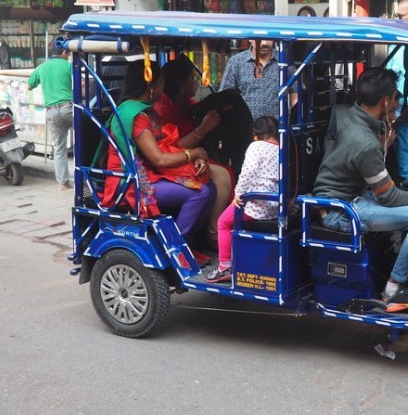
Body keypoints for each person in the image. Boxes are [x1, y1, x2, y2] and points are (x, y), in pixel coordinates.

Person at [312, 67, 408, 312]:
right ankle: (394, 288)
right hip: (342, 210)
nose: (395, 106)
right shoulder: (366, 145)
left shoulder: (341, 112)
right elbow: (389, 197)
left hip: (341, 198)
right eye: (393, 100)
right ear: (385, 100)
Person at [102, 61, 215, 265]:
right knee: (201, 193)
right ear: (151, 86)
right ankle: (176, 250)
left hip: (150, 171)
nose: (165, 87)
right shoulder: (135, 115)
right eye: (162, 82)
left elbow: (170, 145)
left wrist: (195, 156)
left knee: (210, 186)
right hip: (131, 181)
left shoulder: (148, 111)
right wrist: (193, 153)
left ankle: (187, 245)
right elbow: (159, 158)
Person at [159, 56, 234, 249]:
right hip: (167, 162)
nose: (197, 82)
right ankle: (212, 234)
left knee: (228, 170)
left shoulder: (188, 104)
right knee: (220, 177)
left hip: (189, 156)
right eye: (193, 78)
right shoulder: (162, 107)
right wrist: (202, 129)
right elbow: (169, 147)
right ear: (180, 84)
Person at [206, 116, 279, 283]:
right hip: (275, 205)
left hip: (257, 205)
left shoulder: (256, 146)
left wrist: (238, 194)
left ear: (256, 134)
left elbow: (247, 172)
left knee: (223, 222)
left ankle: (225, 266)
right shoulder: (281, 149)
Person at [27, 44, 73, 190]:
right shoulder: (69, 66)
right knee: (82, 143)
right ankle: (85, 178)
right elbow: (82, 84)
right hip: (69, 108)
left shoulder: (42, 67)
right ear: (64, 52)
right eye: (68, 53)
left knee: (59, 148)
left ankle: (62, 183)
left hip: (51, 110)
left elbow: (29, 86)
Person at [218, 40, 280, 121]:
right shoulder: (236, 62)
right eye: (259, 39)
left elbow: (295, 95)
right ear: (250, 39)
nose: (264, 43)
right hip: (247, 129)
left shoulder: (284, 61)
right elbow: (225, 97)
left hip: (277, 130)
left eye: (268, 38)